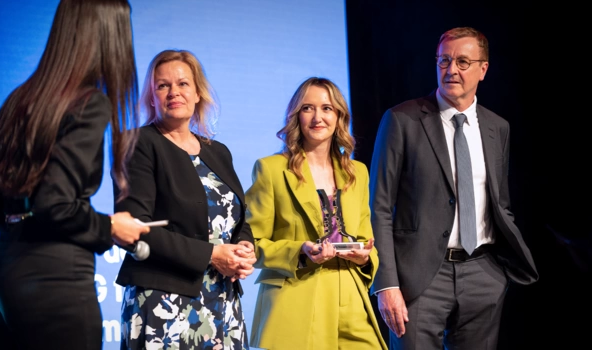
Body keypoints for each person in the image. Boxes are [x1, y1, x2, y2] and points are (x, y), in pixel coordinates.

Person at [0, 0, 150, 349]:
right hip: (54, 287)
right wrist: (109, 227)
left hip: (2, 283)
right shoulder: (88, 103)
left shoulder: (20, 99)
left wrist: (26, 222)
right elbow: (55, 204)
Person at [369, 26, 539, 349]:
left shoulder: (497, 127)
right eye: (444, 60)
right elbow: (379, 207)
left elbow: (500, 204)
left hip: (483, 274)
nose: (451, 70)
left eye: (462, 61)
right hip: (418, 279)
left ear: (483, 69)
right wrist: (386, 283)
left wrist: (498, 275)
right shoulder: (401, 120)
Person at [114, 49, 256, 350]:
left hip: (222, 300)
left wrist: (245, 247)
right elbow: (136, 228)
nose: (173, 92)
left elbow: (238, 218)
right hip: (161, 300)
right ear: (151, 97)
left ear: (197, 94)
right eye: (162, 86)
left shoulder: (218, 151)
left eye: (182, 84)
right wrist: (212, 255)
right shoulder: (138, 144)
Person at [246, 77, 388, 350]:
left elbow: (367, 240)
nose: (317, 117)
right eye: (307, 108)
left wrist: (364, 257)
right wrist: (300, 251)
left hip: (350, 293)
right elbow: (252, 244)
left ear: (339, 116)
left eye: (327, 108)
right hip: (297, 296)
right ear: (296, 116)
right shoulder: (271, 169)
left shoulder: (357, 172)